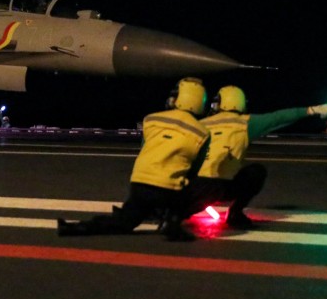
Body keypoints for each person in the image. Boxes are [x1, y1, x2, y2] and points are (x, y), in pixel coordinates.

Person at [56, 77, 215, 241]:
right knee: (201, 187)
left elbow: (145, 148)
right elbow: (194, 169)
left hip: (140, 185)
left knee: (123, 222)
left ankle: (73, 228)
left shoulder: (151, 119)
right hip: (169, 190)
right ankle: (173, 221)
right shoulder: (202, 132)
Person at [186, 86, 327, 229]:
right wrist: (312, 110)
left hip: (196, 187)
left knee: (178, 211)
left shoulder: (200, 124)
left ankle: (172, 212)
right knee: (256, 172)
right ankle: (235, 214)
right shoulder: (245, 123)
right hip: (221, 186)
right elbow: (279, 117)